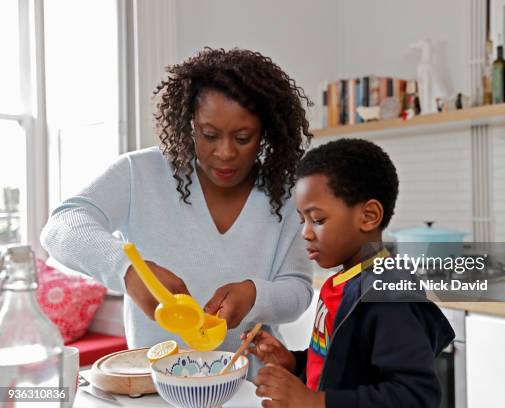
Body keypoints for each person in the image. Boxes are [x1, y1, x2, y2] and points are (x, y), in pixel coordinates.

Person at [40, 48, 314, 363]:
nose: (224, 152)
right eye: (209, 135)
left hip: (252, 388)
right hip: (153, 385)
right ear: (189, 124)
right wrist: (127, 270)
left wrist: (255, 295)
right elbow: (62, 226)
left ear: (266, 132)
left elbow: (298, 290)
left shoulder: (287, 191)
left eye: (242, 138)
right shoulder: (138, 173)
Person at [245, 138, 455, 407]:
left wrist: (314, 402)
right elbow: (340, 363)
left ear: (368, 216)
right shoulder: (344, 282)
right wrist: (294, 361)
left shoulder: (388, 295)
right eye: (302, 220)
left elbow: (415, 396)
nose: (305, 233)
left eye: (318, 220)